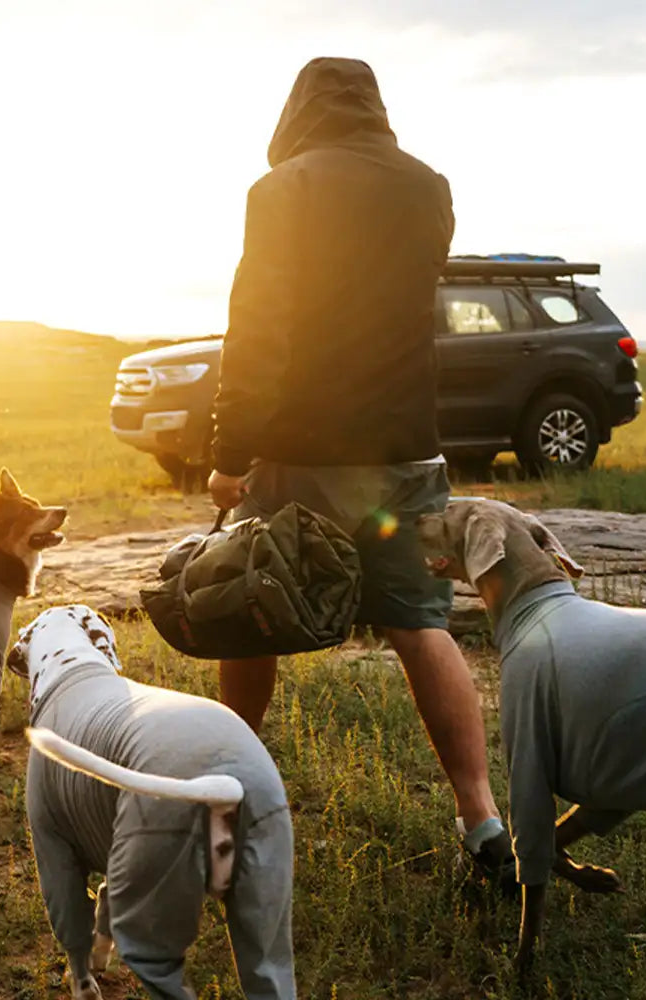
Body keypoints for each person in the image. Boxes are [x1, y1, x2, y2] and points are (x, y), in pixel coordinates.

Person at [208, 56, 514, 886]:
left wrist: (230, 456)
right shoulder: (429, 188)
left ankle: (225, 815)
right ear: (376, 109)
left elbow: (259, 329)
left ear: (296, 111)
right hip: (408, 451)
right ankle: (481, 816)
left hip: (302, 454)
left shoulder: (282, 190)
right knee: (421, 624)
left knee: (250, 619)